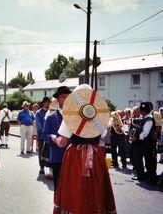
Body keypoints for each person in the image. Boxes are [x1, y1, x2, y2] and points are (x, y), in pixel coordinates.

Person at [53, 84, 116, 214]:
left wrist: (55, 139)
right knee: (96, 186)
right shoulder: (99, 115)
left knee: (76, 187)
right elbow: (103, 135)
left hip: (76, 155)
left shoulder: (70, 114)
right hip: (96, 156)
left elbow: (63, 142)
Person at [43, 86, 71, 190]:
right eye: (64, 97)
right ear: (58, 99)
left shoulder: (76, 117)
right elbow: (45, 135)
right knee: (59, 187)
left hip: (72, 158)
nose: (67, 99)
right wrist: (52, 138)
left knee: (71, 188)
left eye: (69, 97)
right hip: (57, 157)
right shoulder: (51, 117)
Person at [132, 102, 155, 183]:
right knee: (138, 159)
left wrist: (136, 138)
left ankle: (144, 176)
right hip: (141, 142)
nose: (140, 112)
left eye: (142, 110)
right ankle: (140, 175)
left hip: (144, 143)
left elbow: (145, 133)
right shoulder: (145, 118)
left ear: (145, 111)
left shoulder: (148, 120)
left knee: (143, 160)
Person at [35, 97, 52, 178]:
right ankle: (41, 167)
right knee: (41, 152)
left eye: (49, 102)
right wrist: (45, 132)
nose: (48, 104)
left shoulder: (52, 112)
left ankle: (49, 169)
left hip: (49, 136)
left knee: (49, 152)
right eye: (46, 102)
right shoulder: (38, 113)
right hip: (41, 136)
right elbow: (38, 126)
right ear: (43, 103)